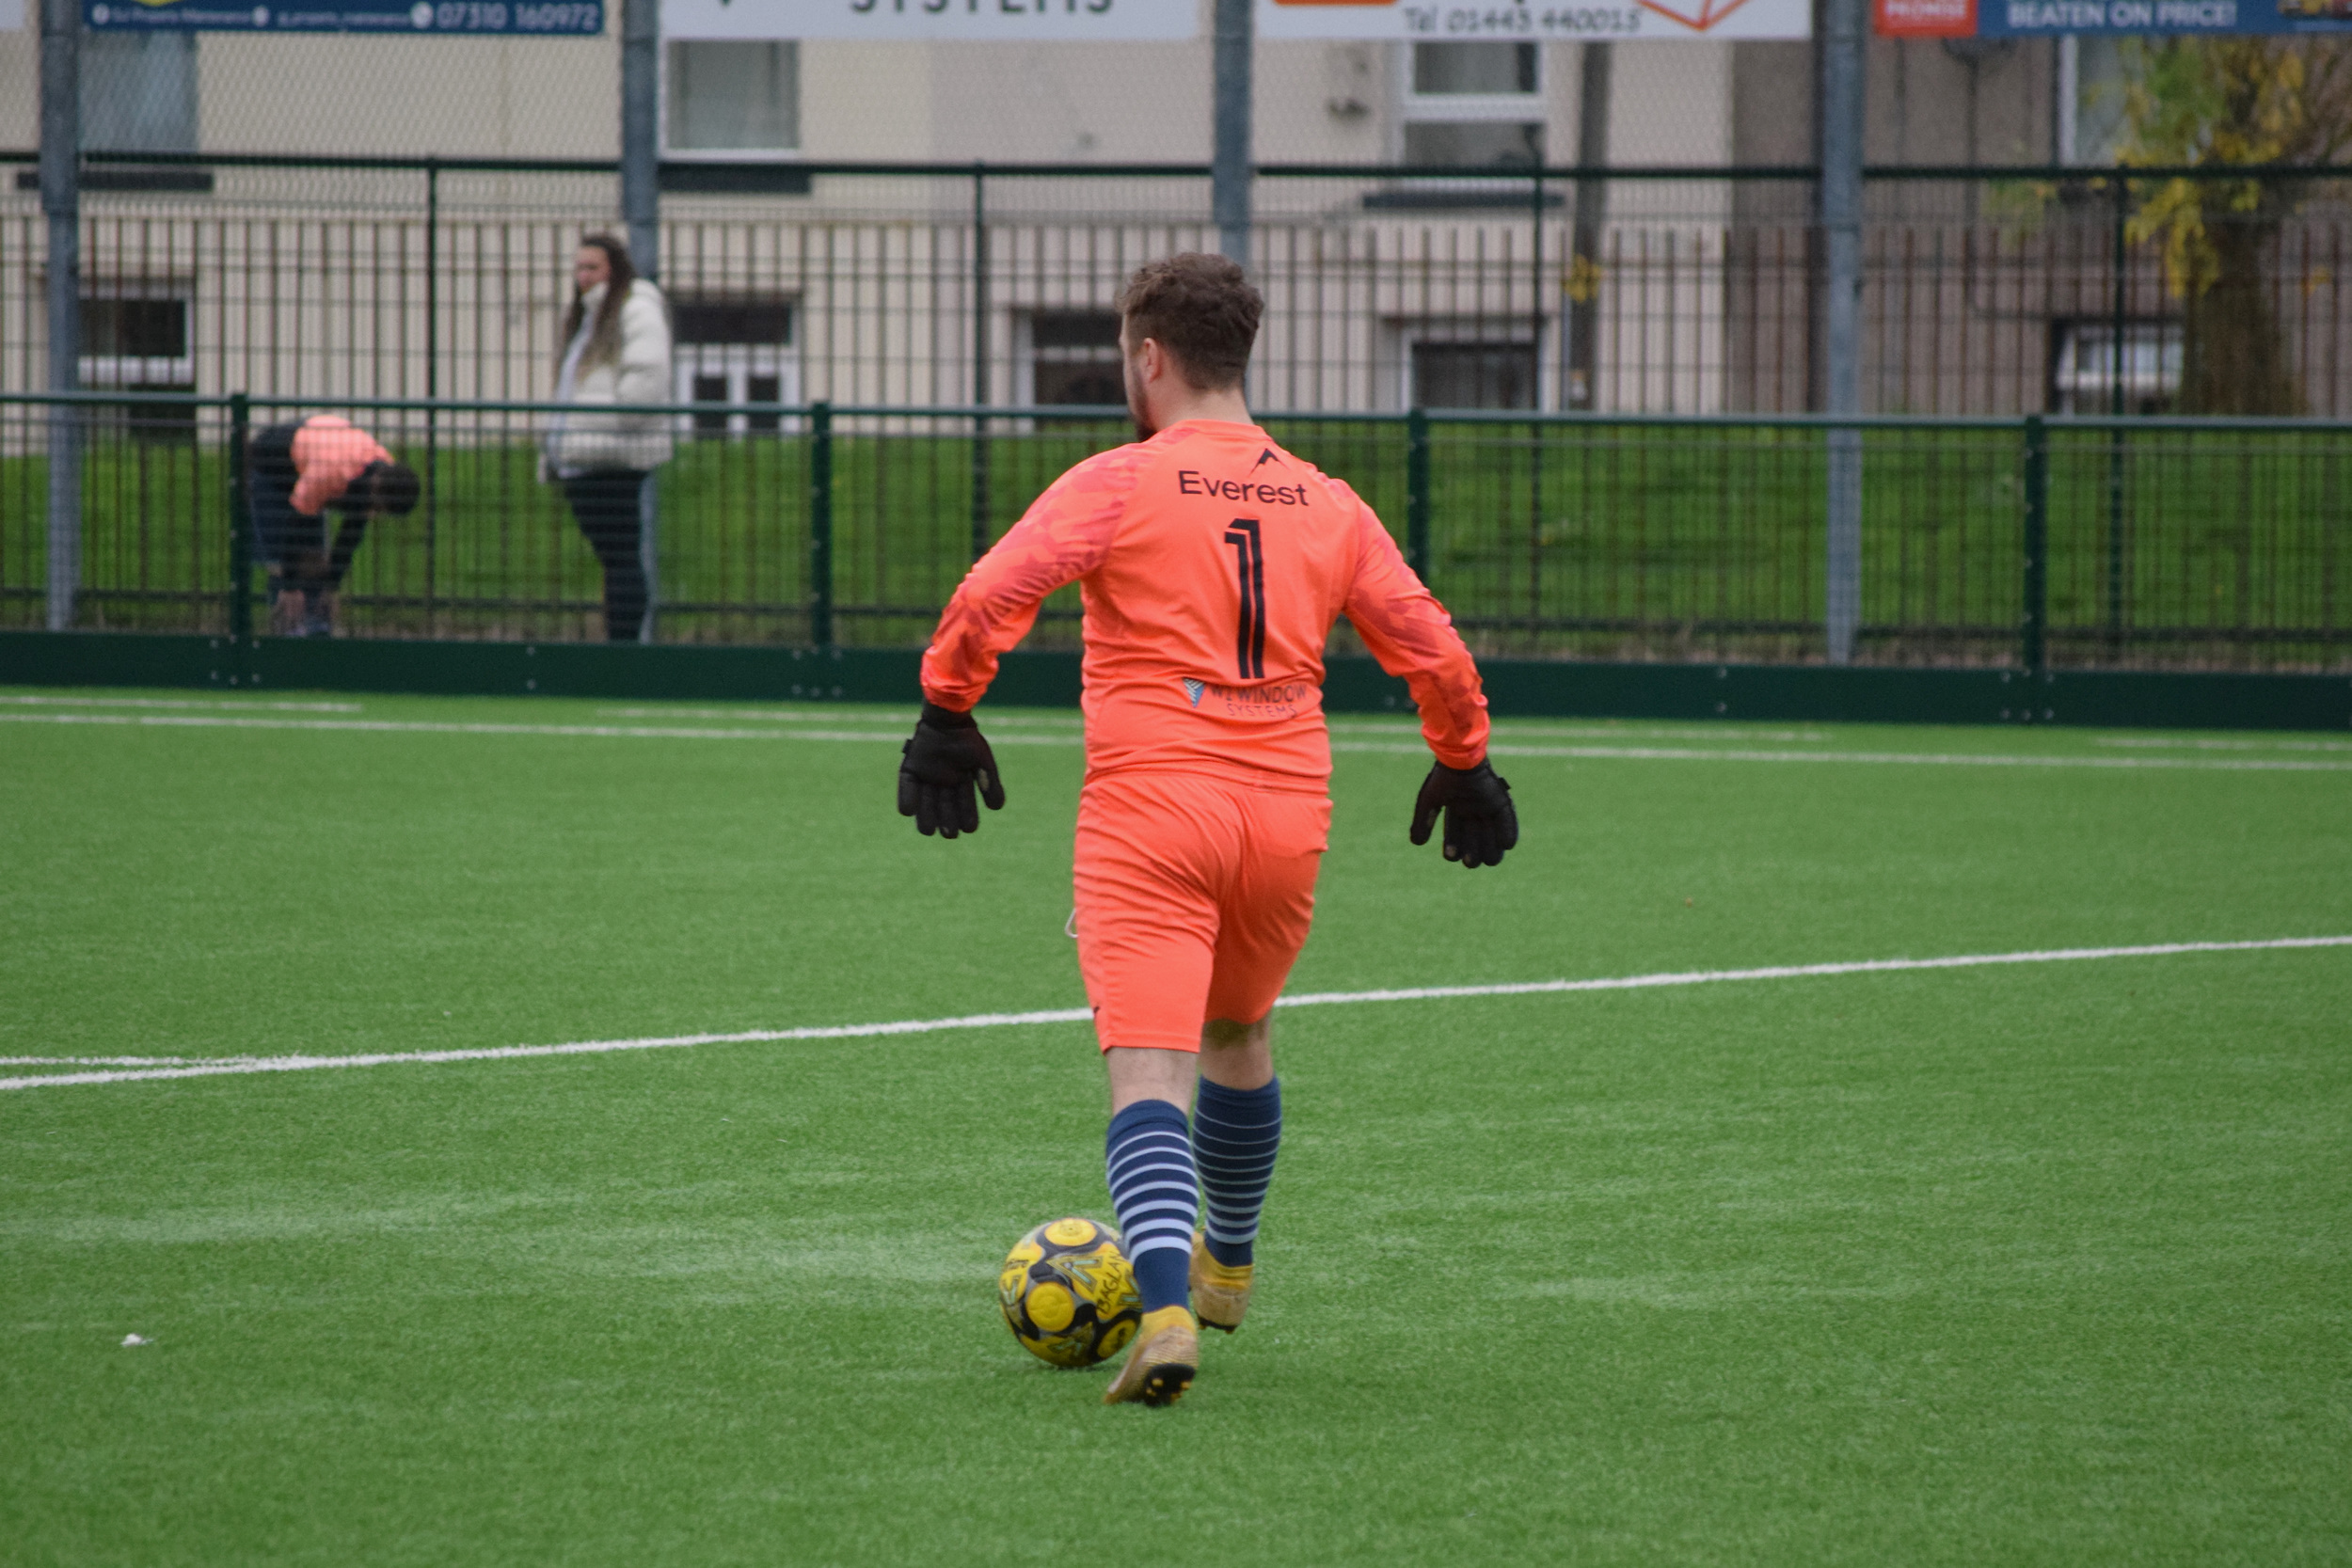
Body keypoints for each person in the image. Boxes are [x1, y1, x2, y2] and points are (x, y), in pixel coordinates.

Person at [898, 253, 1518, 1408]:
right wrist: (1464, 759)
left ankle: (1168, 1308)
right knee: (1240, 1026)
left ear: (1149, 358)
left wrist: (946, 706)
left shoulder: (1120, 480)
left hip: (1152, 806)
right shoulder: (1326, 499)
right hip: (1286, 811)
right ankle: (1228, 1258)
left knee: (1152, 1064)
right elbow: (1429, 646)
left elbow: (996, 589)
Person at [544, 233, 674, 642]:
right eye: (579, 268)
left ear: (614, 269)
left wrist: (605, 428)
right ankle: (620, 642)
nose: (583, 276)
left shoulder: (635, 308)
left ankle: (623, 646)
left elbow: (646, 382)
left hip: (608, 456)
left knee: (620, 558)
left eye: (592, 267)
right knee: (614, 558)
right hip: (585, 455)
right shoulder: (591, 315)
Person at [247, 414, 421, 638]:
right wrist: (290, 587)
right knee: (280, 560)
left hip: (313, 461)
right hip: (271, 468)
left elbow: (351, 532)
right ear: (377, 487)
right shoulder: (329, 474)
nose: (376, 513)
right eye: (378, 507)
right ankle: (286, 632)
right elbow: (295, 525)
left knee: (315, 562)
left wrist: (331, 586)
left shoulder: (382, 467)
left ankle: (317, 630)